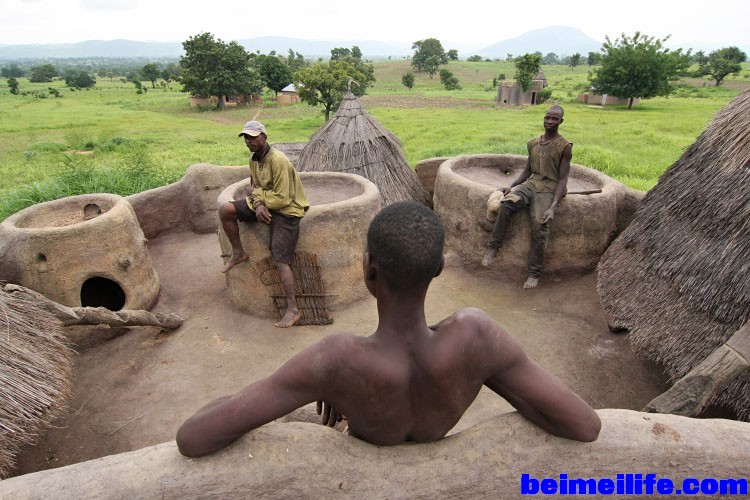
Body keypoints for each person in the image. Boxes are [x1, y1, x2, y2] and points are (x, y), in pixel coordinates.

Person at [176, 201, 601, 458]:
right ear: (438, 269)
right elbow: (584, 425)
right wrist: (492, 379)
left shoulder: (336, 360)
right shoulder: (476, 337)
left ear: (368, 270)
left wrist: (335, 389)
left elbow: (193, 438)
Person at [218, 120, 309, 328]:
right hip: (265, 204)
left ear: (264, 137)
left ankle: (293, 310)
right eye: (246, 138)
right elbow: (254, 187)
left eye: (253, 137)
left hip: (287, 210)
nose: (248, 141)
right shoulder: (254, 160)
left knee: (280, 259)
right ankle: (238, 252)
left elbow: (283, 199)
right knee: (226, 210)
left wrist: (258, 199)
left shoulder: (278, 160)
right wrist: (258, 204)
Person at [481, 105, 572, 289]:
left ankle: (534, 273)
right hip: (531, 184)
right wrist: (512, 186)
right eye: (547, 117)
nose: (550, 121)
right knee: (507, 204)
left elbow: (563, 179)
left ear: (561, 121)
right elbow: (527, 171)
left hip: (549, 188)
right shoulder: (533, 144)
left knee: (540, 224)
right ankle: (493, 246)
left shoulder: (564, 147)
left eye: (554, 119)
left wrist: (553, 206)